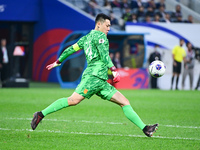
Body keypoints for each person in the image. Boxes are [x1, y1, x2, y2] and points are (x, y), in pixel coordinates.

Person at [31, 13, 158, 137]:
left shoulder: (85, 38)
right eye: (107, 25)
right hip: (93, 78)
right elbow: (104, 55)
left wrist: (59, 61)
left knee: (124, 101)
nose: (108, 28)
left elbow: (71, 49)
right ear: (99, 24)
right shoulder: (101, 37)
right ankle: (41, 114)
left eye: (109, 26)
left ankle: (145, 129)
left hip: (101, 81)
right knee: (73, 100)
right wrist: (113, 69)